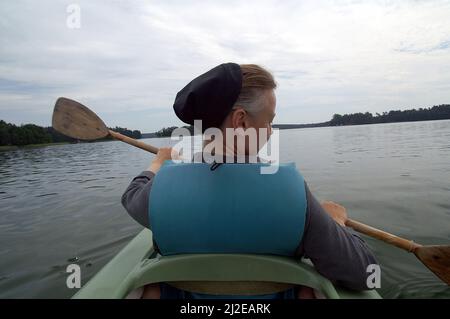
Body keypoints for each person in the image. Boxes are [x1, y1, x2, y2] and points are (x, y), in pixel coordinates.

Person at [122, 63, 378, 299]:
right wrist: (335, 222)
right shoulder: (291, 192)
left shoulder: (161, 190)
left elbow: (131, 197)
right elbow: (365, 273)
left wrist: (160, 163)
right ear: (241, 121)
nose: (270, 132)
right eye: (269, 121)